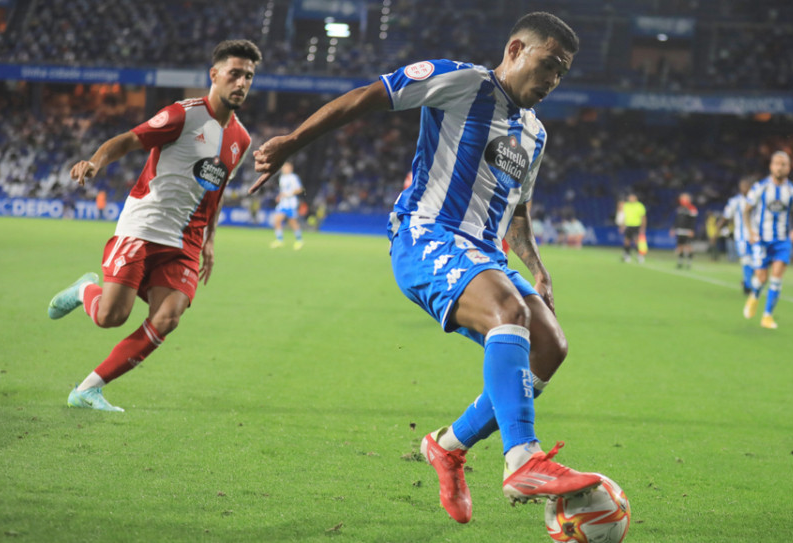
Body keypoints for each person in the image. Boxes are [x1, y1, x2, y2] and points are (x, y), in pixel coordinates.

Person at [248, 12, 601, 523]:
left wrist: (538, 268)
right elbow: (366, 97)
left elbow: (518, 210)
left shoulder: (535, 134)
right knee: (509, 313)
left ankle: (448, 446)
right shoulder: (462, 82)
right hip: (427, 235)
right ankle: (523, 458)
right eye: (547, 65)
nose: (551, 81)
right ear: (515, 48)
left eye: (561, 74)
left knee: (551, 346)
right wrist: (292, 142)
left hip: (486, 252)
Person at [46, 40, 262, 411]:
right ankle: (85, 290)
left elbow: (217, 190)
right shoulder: (183, 115)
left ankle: (87, 389)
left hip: (187, 241)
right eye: (234, 74)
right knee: (110, 317)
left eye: (248, 76)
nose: (241, 82)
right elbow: (130, 139)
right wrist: (96, 162)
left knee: (167, 317)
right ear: (214, 75)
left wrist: (210, 240)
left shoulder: (240, 139)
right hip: (143, 227)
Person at [742, 151, 793, 329]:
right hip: (762, 239)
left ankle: (767, 316)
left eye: (783, 164)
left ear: (789, 167)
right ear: (771, 166)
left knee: (776, 277)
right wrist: (750, 232)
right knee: (761, 277)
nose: (779, 167)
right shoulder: (760, 187)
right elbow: (746, 210)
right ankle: (754, 296)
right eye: (776, 163)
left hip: (783, 241)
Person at [715, 178, 754, 294]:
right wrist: (717, 230)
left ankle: (748, 281)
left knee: (756, 261)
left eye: (747, 186)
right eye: (743, 186)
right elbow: (726, 217)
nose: (744, 188)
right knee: (746, 260)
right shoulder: (735, 201)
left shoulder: (757, 200)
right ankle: (747, 285)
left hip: (755, 235)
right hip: (741, 236)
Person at [269, 162, 305, 249]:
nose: (284, 169)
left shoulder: (293, 178)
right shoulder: (282, 178)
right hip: (283, 203)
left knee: (292, 222)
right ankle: (279, 240)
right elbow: (283, 191)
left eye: (286, 167)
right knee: (277, 220)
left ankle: (299, 240)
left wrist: (287, 194)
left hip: (291, 203)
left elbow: (299, 189)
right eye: (283, 167)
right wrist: (280, 196)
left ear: (290, 168)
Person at [672, 192, 698, 269]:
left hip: (687, 231)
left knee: (688, 247)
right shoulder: (680, 209)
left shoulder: (692, 209)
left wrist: (692, 230)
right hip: (680, 230)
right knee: (680, 246)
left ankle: (689, 263)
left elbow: (693, 221)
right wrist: (674, 228)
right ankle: (680, 262)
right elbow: (677, 220)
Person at [620, 192, 646, 263]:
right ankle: (627, 255)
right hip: (628, 226)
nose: (630, 199)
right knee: (627, 241)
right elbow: (624, 216)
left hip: (636, 226)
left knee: (636, 241)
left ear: (635, 198)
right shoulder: (626, 205)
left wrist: (643, 227)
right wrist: (622, 226)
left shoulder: (640, 206)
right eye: (629, 197)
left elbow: (643, 217)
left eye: (632, 197)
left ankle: (640, 255)